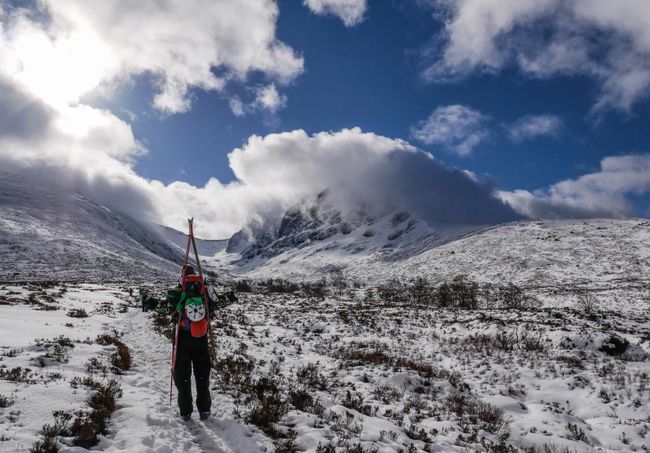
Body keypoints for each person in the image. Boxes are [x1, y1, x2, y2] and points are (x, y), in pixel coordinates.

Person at [169, 264, 216, 422]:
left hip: (182, 338)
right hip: (200, 337)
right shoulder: (203, 289)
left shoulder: (179, 291)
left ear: (182, 276)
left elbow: (169, 310)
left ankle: (186, 412)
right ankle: (204, 410)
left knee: (182, 376)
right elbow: (214, 306)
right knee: (202, 375)